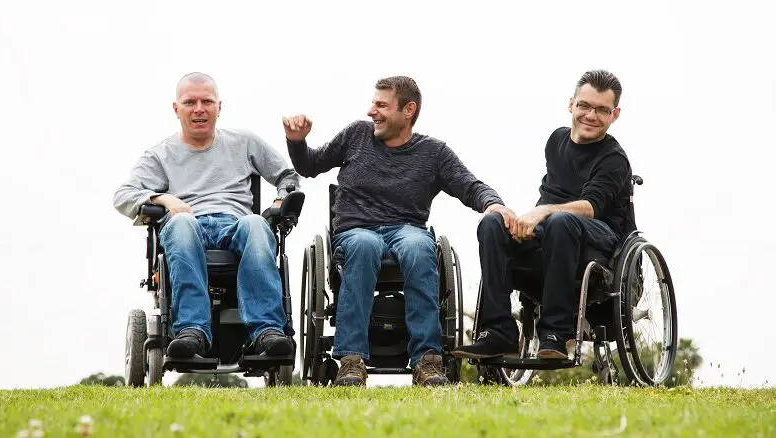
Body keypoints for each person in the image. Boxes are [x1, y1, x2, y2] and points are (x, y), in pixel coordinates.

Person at [282, 76, 517, 386]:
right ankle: (351, 361)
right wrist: (297, 141)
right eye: (372, 103)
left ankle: (427, 361)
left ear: (408, 110)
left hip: (406, 229)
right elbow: (310, 165)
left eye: (381, 105)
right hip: (356, 229)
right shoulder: (356, 135)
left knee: (420, 248)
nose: (371, 112)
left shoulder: (432, 152)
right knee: (363, 246)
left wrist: (493, 204)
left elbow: (469, 185)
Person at [113, 72, 300, 359]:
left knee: (257, 223)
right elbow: (123, 195)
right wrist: (164, 198)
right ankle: (192, 330)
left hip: (236, 224)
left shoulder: (244, 141)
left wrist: (280, 200)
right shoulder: (160, 155)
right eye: (190, 102)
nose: (199, 108)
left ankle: (267, 331)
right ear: (177, 109)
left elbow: (287, 176)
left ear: (219, 107)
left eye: (207, 101)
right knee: (182, 223)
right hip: (188, 225)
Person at [453, 69, 633, 361]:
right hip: (550, 232)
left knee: (561, 222)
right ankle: (498, 331)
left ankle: (555, 334)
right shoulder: (556, 140)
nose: (591, 115)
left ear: (615, 114)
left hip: (600, 237)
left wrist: (543, 211)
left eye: (602, 110)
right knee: (492, 223)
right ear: (571, 104)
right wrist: (521, 224)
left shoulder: (614, 159)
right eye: (584, 106)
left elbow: (590, 207)